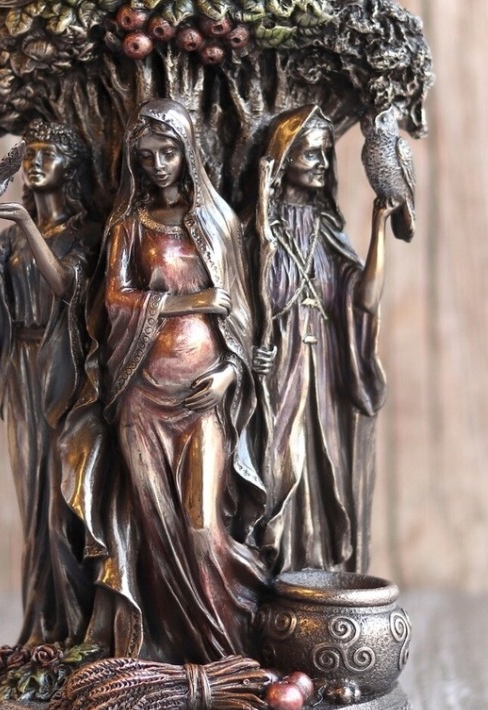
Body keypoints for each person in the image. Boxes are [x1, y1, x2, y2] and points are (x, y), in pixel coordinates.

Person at [64, 99, 267, 664]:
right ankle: (168, 656)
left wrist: (230, 373)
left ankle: (232, 651)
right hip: (141, 394)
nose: (157, 165)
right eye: (146, 156)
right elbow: (115, 298)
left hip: (203, 393)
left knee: (202, 526)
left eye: (168, 152)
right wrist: (191, 301)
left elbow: (242, 313)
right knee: (156, 524)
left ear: (187, 152)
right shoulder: (129, 226)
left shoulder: (218, 222)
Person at [0, 119, 98, 645]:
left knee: (62, 501)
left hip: (64, 367)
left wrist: (25, 222)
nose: (35, 163)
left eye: (48, 154)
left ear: (71, 168)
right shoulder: (10, 239)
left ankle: (78, 625)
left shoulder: (85, 235)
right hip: (22, 368)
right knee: (31, 499)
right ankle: (43, 626)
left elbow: (66, 285)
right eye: (30, 155)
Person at [252, 105, 395, 574]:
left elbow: (366, 300)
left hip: (327, 368)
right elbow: (248, 301)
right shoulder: (259, 230)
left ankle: (316, 570)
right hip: (281, 369)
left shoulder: (328, 230)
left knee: (325, 463)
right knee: (282, 464)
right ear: (284, 157)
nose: (322, 164)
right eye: (310, 154)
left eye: (325, 154)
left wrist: (378, 227)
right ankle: (278, 567)